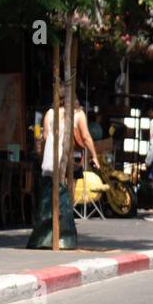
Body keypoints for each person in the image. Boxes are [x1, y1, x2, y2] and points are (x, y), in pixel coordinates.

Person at [30, 93, 98, 249]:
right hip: (68, 160)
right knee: (66, 197)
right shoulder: (78, 114)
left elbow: (45, 137)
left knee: (50, 196)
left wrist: (42, 155)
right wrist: (94, 156)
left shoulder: (50, 113)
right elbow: (86, 136)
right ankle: (63, 238)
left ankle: (45, 238)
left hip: (51, 160)